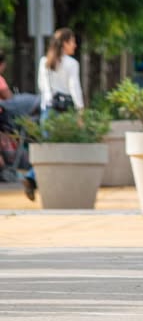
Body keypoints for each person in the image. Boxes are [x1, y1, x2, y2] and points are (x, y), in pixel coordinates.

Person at [22, 28, 85, 200]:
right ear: (65, 43)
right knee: (66, 149)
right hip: (66, 113)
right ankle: (54, 185)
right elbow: (75, 88)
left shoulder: (44, 61)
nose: (75, 45)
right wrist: (80, 111)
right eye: (72, 41)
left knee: (48, 148)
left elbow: (42, 87)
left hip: (48, 110)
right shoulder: (72, 63)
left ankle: (32, 178)